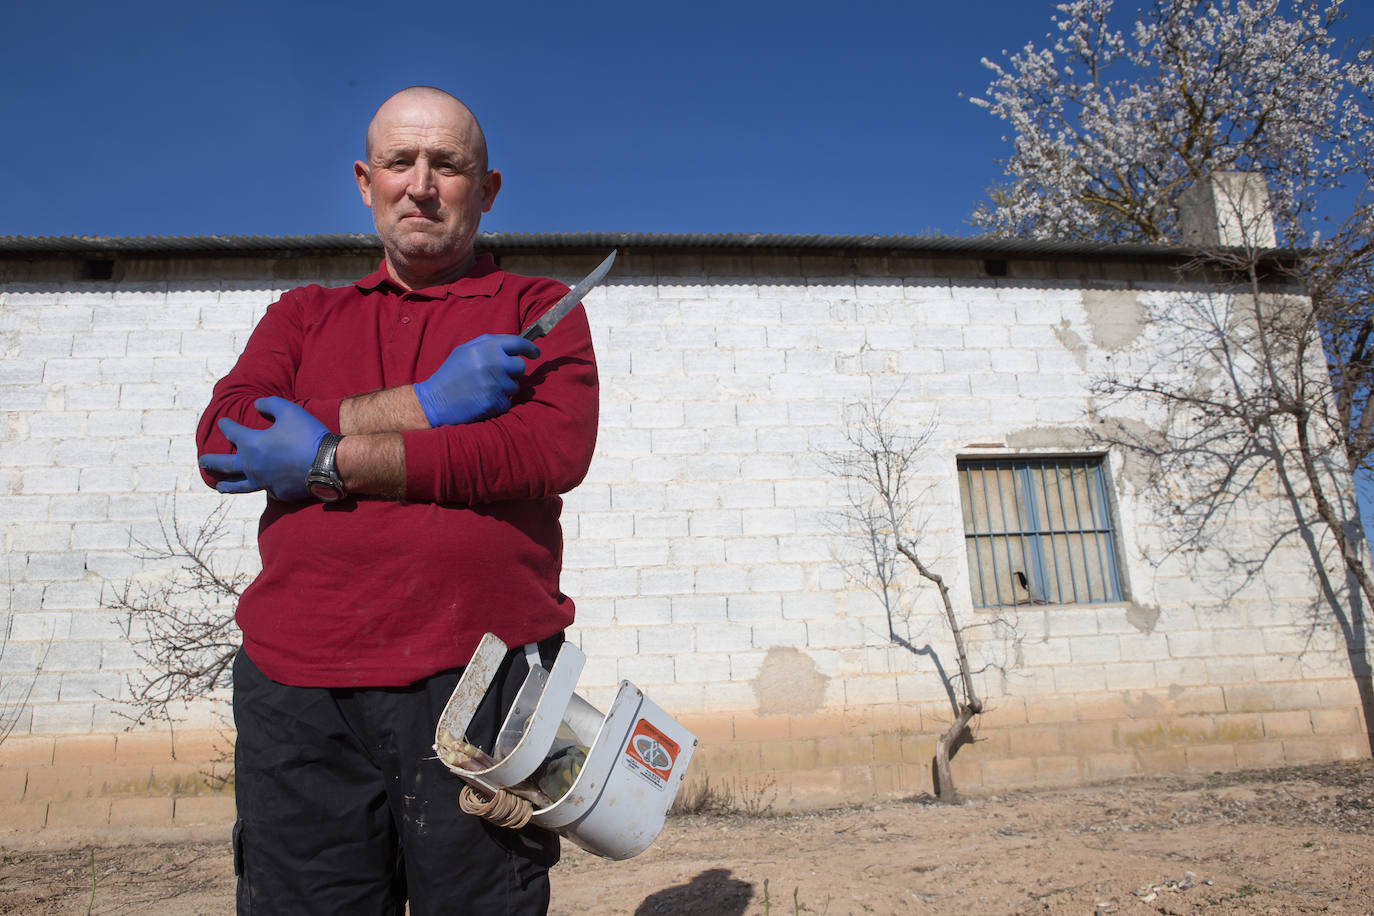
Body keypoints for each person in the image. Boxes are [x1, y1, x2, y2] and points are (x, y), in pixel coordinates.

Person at [196, 86, 599, 915]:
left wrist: (321, 456)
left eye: (447, 164)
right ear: (364, 180)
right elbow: (225, 442)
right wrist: (427, 404)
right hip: (298, 688)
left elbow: (546, 450)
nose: (421, 185)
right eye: (398, 162)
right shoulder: (303, 316)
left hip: (483, 680)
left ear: (486, 189)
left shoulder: (537, 309)